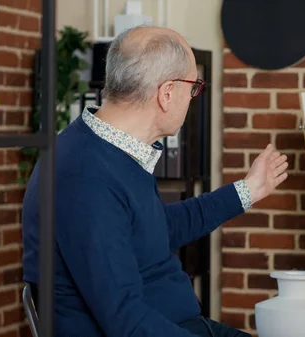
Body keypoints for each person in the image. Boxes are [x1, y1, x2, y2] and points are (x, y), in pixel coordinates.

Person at [21, 25, 289, 337]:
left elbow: (154, 228)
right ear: (166, 94)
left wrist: (249, 190)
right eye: (193, 88)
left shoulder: (113, 151)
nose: (192, 98)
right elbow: (125, 321)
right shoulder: (85, 176)